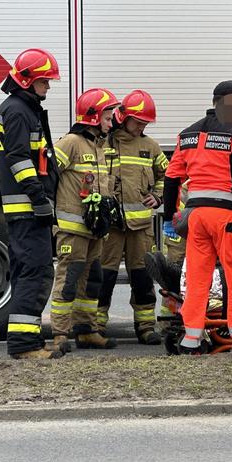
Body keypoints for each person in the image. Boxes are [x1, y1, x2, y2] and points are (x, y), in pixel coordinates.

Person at [162, 80, 232, 353]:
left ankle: (191, 338)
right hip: (228, 218)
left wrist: (169, 215)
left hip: (196, 216)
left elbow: (172, 178)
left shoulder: (187, 135)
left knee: (196, 278)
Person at [0, 48, 63, 359]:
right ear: (27, 81)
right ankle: (23, 346)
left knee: (30, 273)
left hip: (26, 209)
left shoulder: (21, 108)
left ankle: (30, 342)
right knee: (35, 272)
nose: (48, 87)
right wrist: (39, 199)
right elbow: (19, 160)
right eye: (44, 81)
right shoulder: (18, 111)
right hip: (27, 209)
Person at [50, 88, 120, 351]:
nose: (111, 123)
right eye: (108, 117)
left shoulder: (99, 147)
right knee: (69, 279)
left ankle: (86, 330)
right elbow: (47, 173)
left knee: (91, 281)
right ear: (92, 116)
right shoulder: (70, 143)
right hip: (72, 229)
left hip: (94, 231)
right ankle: (59, 334)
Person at [96, 90, 167, 345]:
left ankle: (146, 327)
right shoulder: (103, 142)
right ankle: (97, 326)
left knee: (142, 278)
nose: (141, 128)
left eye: (145, 124)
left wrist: (158, 197)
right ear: (123, 116)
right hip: (111, 227)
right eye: (138, 122)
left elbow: (168, 176)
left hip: (141, 228)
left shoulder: (150, 147)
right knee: (104, 278)